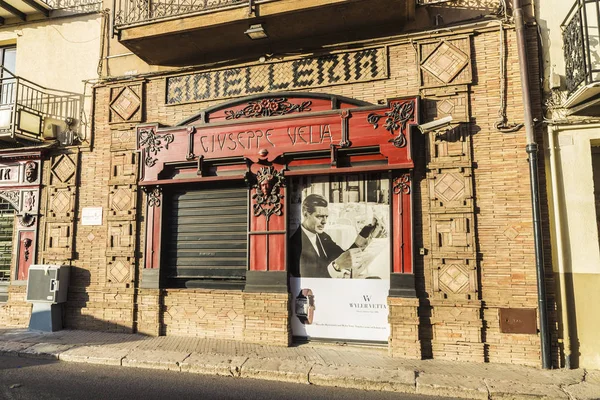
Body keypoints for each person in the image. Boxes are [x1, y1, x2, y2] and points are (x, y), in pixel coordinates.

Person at [289, 193, 381, 278]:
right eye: (319, 216)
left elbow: (343, 257)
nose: (324, 222)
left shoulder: (322, 236)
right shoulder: (294, 243)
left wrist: (366, 233)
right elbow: (309, 278)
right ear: (305, 214)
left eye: (326, 216)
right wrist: (337, 266)